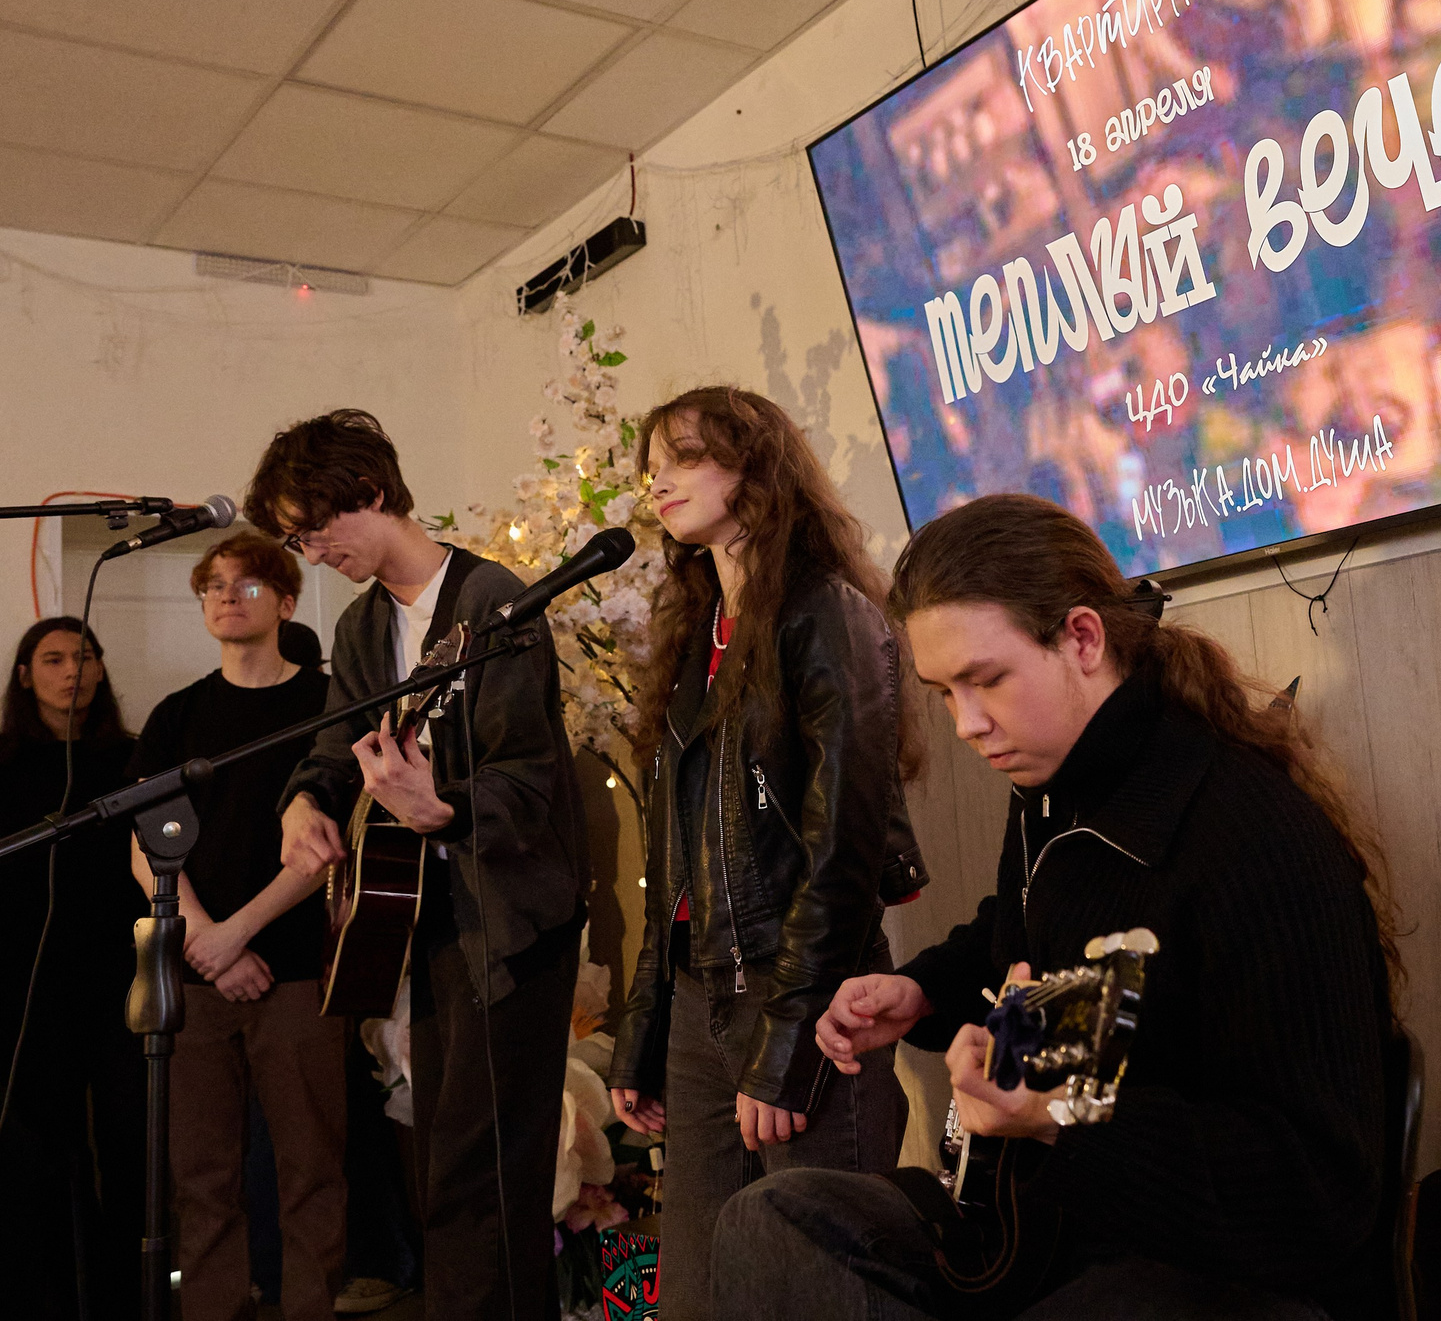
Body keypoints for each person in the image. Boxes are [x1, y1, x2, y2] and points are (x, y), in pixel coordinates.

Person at [713, 495, 1403, 1321]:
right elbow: (1040, 941)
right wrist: (926, 992)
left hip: (1219, 1268)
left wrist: (1056, 1117)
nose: (968, 724)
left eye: (987, 679)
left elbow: (1319, 1195)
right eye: (942, 692)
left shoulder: (1252, 839)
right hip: (1033, 1229)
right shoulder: (1049, 785)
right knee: (770, 1222)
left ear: (1082, 637)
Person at [246, 408, 588, 1321]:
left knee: (485, 1175)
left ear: (369, 492)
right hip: (424, 922)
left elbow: (531, 779)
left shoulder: (495, 604)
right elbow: (330, 746)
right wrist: (301, 803)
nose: (309, 552)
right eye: (293, 537)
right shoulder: (363, 630)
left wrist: (446, 808)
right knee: (441, 1160)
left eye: (312, 527)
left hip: (511, 923)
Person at [605, 386, 921, 1300]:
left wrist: (789, 1044)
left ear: (756, 470)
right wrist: (645, 1021)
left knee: (818, 1285)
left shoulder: (825, 612)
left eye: (684, 456)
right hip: (703, 998)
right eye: (651, 463)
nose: (657, 480)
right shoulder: (695, 626)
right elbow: (673, 857)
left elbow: (843, 852)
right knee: (700, 1293)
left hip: (806, 997)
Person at [120, 532, 342, 1321]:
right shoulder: (177, 715)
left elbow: (325, 845)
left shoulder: (326, 706)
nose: (226, 595)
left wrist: (236, 934)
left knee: (310, 1168)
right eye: (213, 584)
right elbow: (145, 848)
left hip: (299, 969)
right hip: (194, 965)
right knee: (199, 1173)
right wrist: (206, 942)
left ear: (286, 601)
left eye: (247, 584)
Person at [0, 617, 143, 1316]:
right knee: (42, 1140)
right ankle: (51, 1292)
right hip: (30, 975)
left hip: (121, 973)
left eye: (83, 656)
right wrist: (15, 912)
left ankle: (127, 1294)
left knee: (128, 1132)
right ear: (25, 674)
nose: (70, 670)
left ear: (103, 670)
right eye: (52, 658)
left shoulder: (131, 758)